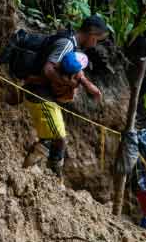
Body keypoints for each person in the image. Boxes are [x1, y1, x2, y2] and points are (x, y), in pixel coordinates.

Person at [20, 16, 107, 175]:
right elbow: (48, 70)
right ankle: (29, 175)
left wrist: (88, 85)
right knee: (57, 138)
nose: (95, 44)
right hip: (39, 94)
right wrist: (68, 84)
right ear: (92, 33)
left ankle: (50, 177)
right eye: (96, 39)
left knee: (55, 139)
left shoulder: (72, 43)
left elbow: (75, 70)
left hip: (45, 95)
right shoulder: (67, 43)